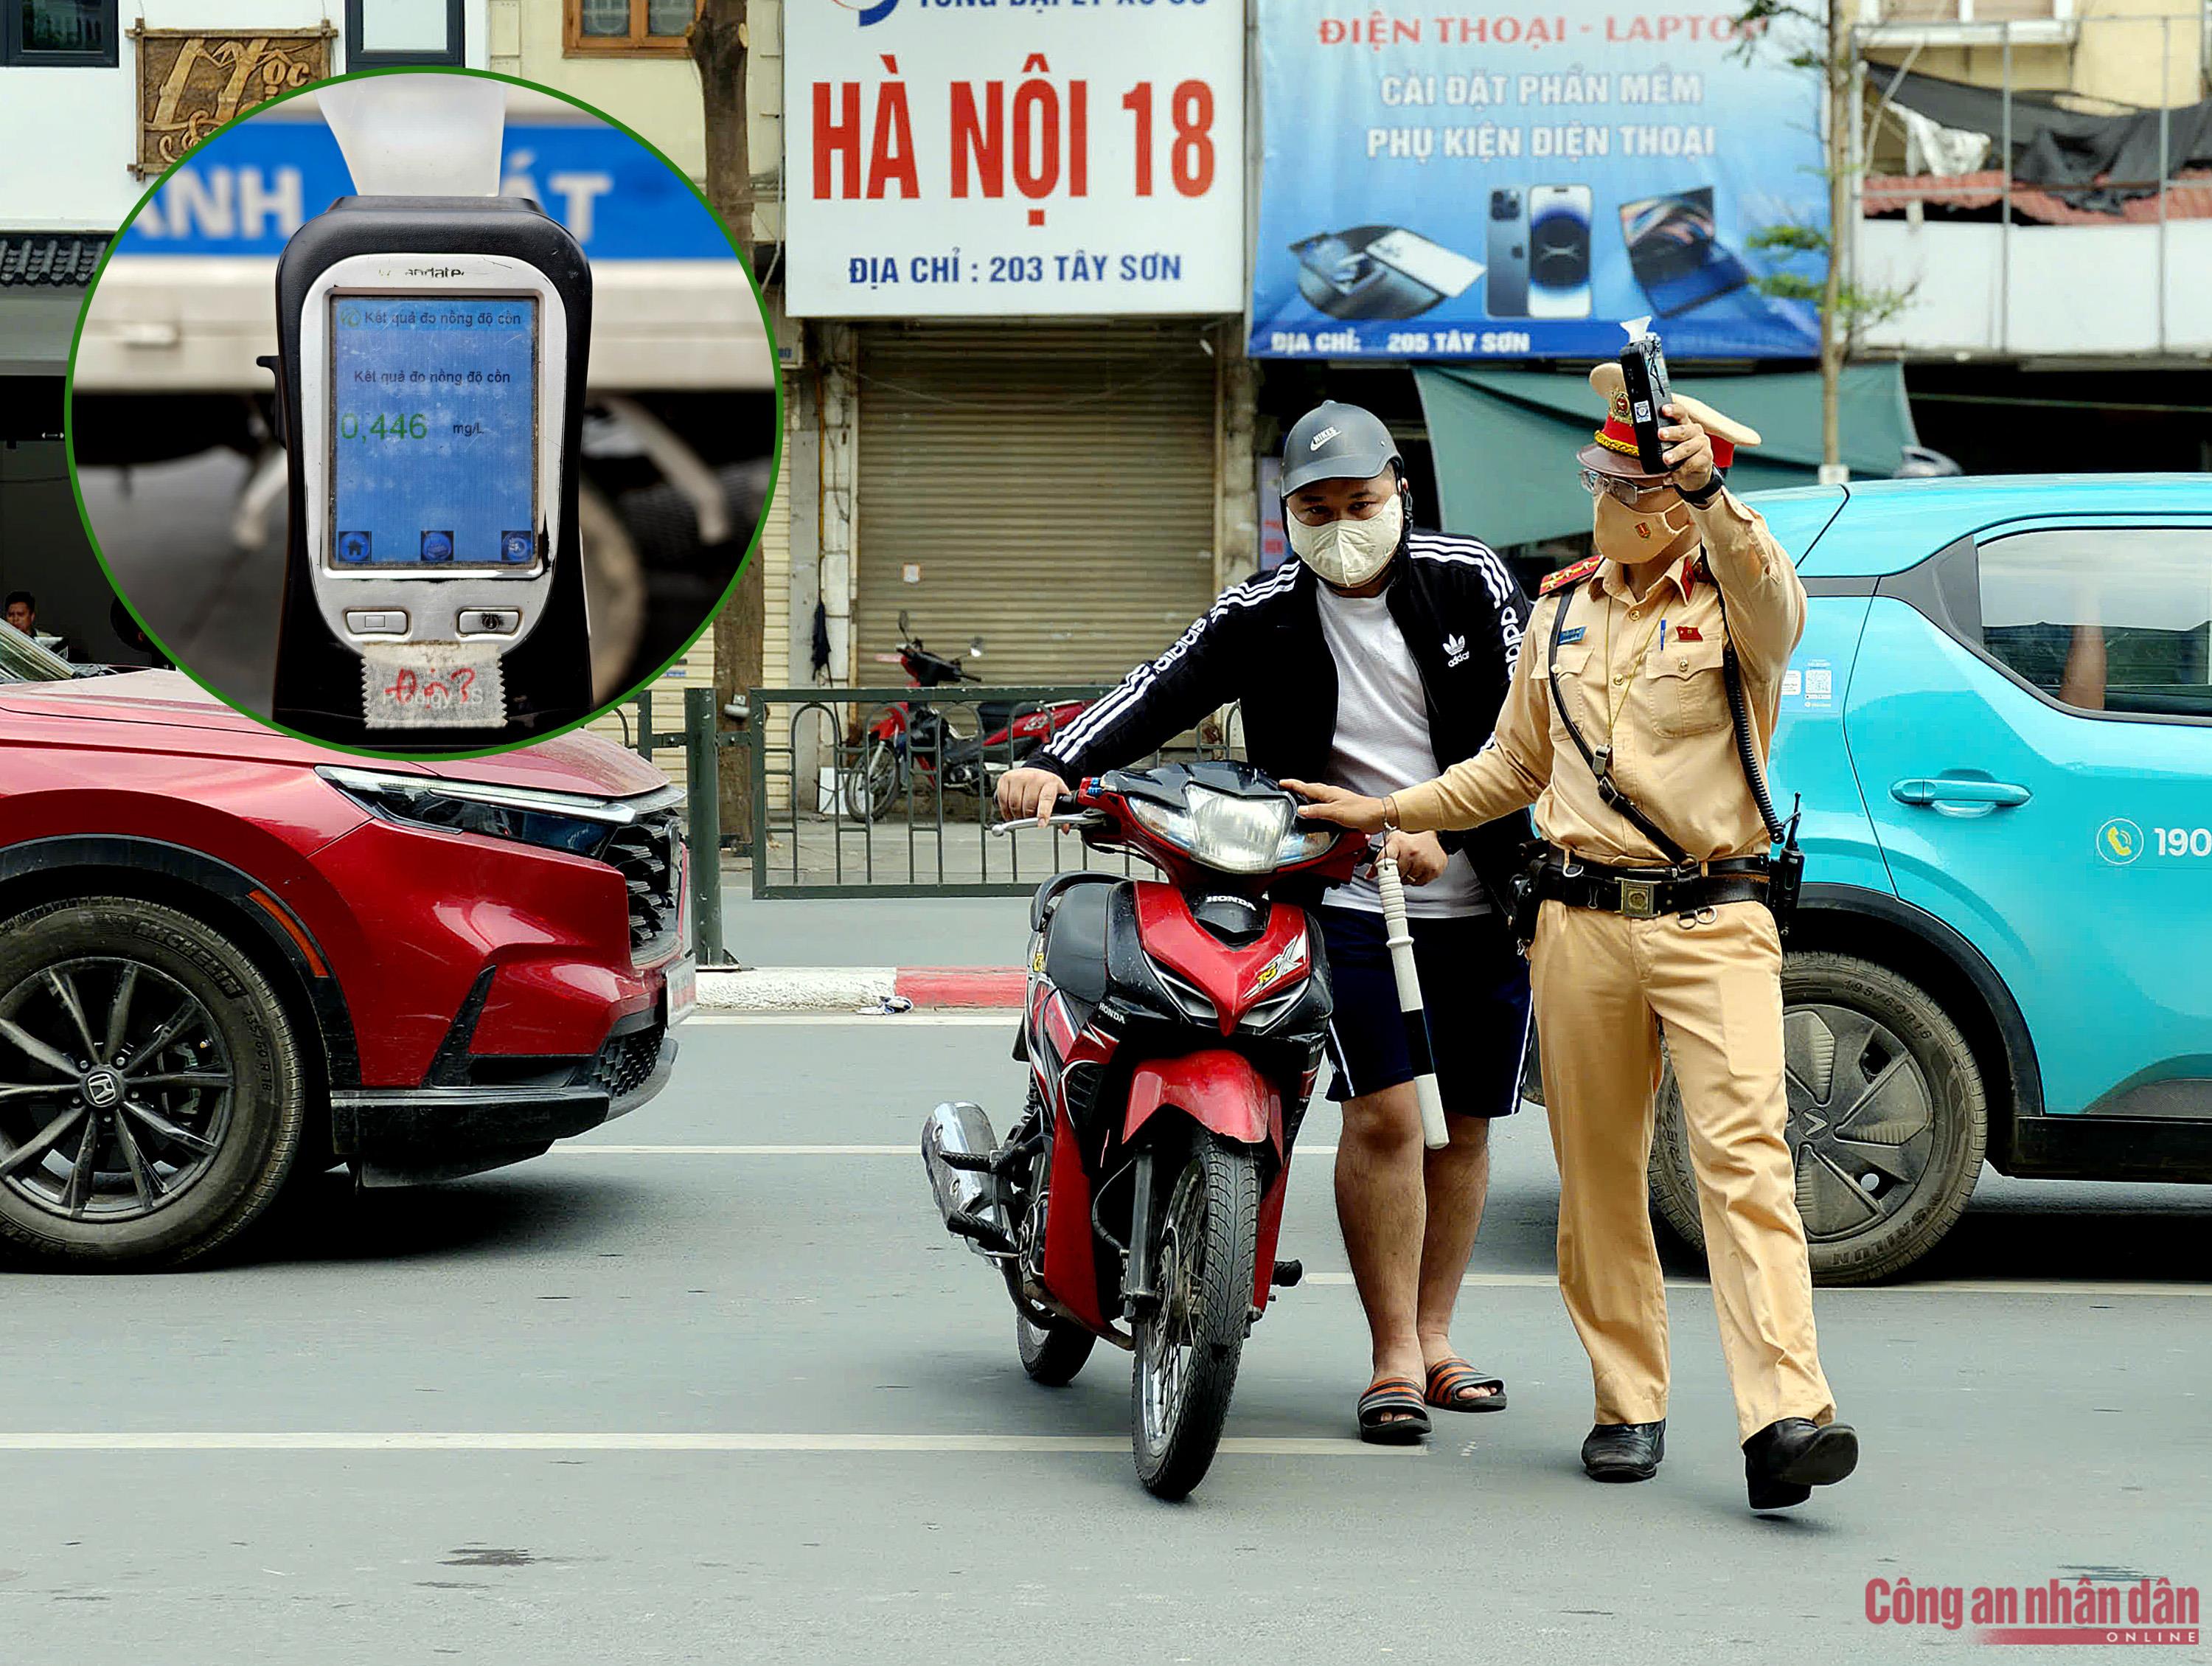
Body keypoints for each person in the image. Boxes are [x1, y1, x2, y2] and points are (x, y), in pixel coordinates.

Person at [1287, 364, 1859, 1512]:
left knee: (1745, 1164)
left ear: (1669, 500)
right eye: (1598, 480)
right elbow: (1513, 765)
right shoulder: (1560, 609)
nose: (1599, 498)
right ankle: (1627, 1402)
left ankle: (1786, 1414)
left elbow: (1774, 599)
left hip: (1713, 917)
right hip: (1578, 923)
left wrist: (1713, 495)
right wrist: (1390, 809)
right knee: (1599, 1180)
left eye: (1621, 485)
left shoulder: (1738, 603)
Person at [995, 402, 1534, 1444]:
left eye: (1360, 503)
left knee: (1462, 1126)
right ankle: (1392, 1356)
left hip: (1481, 893)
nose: (1341, 527)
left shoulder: (1470, 578)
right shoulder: (1264, 610)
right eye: (1315, 511)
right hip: (1343, 894)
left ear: (1400, 492)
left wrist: (1449, 828)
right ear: (1286, 516)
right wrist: (1053, 763)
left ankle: (1438, 1337)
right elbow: (1158, 689)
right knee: (1384, 1116)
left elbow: (1533, 723)